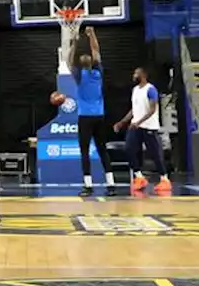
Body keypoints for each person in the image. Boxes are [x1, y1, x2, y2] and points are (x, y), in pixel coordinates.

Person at [70, 27, 117, 197]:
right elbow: (96, 50)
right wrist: (92, 35)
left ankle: (89, 186)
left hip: (86, 117)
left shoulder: (80, 75)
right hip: (98, 116)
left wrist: (75, 44)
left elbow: (69, 60)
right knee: (102, 150)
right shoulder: (97, 73)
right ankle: (110, 184)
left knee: (85, 151)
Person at [114, 67, 172, 195]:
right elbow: (134, 109)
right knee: (129, 149)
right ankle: (139, 177)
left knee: (155, 154)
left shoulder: (151, 89)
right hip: (135, 126)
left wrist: (139, 122)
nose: (134, 75)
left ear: (143, 75)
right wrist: (122, 122)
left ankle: (164, 179)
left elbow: (152, 109)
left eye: (136, 73)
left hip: (149, 127)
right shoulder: (135, 90)